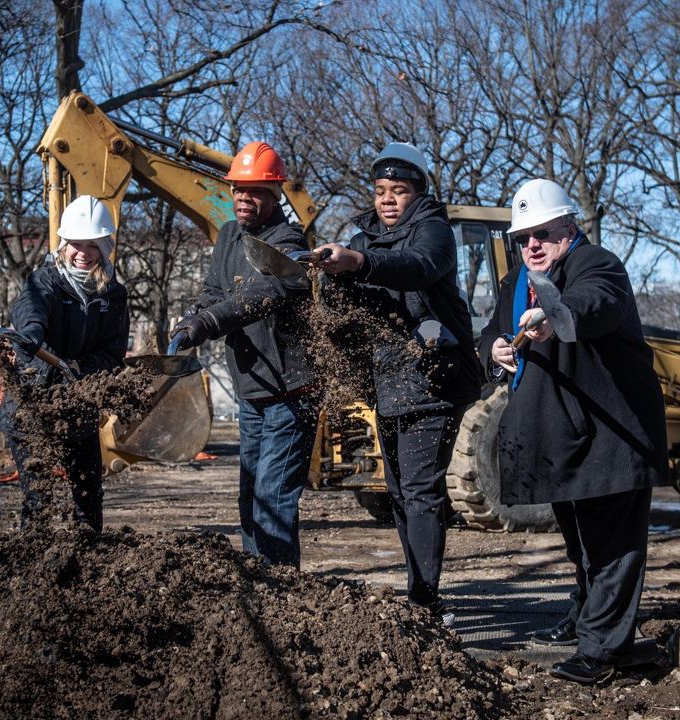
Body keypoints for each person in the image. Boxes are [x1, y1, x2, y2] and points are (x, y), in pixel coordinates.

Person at [479, 178, 668, 684]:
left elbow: (594, 302)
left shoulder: (596, 264)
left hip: (612, 434)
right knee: (582, 545)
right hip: (562, 435)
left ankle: (605, 655)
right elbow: (492, 332)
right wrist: (494, 349)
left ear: (569, 227)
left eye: (543, 233)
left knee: (612, 546)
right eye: (523, 238)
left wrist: (557, 315)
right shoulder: (516, 281)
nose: (532, 245)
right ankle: (587, 619)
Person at [316, 142, 481, 625]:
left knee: (422, 489)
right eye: (381, 190)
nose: (387, 199)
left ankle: (426, 601)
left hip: (434, 379)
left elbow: (417, 268)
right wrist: (332, 276)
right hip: (387, 383)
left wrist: (358, 264)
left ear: (417, 193)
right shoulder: (364, 235)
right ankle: (419, 592)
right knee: (400, 491)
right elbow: (348, 297)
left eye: (399, 191)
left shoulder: (433, 230)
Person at [171, 141, 317, 568]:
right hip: (252, 390)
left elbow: (265, 292)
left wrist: (210, 322)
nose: (242, 198)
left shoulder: (289, 244)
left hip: (292, 393)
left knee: (272, 497)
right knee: (250, 495)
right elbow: (215, 293)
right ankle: (259, 579)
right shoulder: (230, 235)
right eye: (237, 189)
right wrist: (192, 320)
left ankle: (282, 595)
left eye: (254, 190)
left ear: (275, 194)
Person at [0, 195, 130, 532]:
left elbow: (112, 352)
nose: (83, 253)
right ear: (63, 245)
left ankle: (89, 558)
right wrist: (32, 334)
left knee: (87, 494)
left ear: (105, 248)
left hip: (78, 401)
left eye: (93, 245)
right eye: (76, 245)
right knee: (38, 496)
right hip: (32, 401)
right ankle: (34, 562)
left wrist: (78, 368)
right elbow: (32, 308)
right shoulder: (45, 279)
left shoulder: (113, 295)